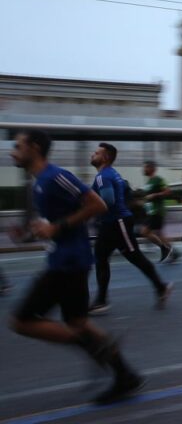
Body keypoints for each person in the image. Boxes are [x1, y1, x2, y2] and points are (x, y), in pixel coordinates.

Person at [9, 130, 144, 404]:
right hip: (65, 259)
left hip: (69, 262)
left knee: (22, 321)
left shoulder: (56, 176)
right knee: (78, 322)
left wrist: (56, 227)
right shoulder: (39, 182)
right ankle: (125, 375)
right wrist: (30, 233)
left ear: (34, 148)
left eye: (18, 146)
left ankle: (94, 347)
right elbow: (54, 224)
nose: (13, 152)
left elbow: (98, 204)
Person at [89, 143, 172, 315]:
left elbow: (108, 201)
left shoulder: (103, 176)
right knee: (101, 257)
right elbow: (125, 192)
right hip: (111, 223)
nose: (92, 154)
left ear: (105, 157)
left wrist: (88, 210)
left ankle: (161, 287)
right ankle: (101, 300)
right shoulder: (112, 173)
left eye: (96, 153)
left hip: (117, 222)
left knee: (134, 257)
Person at [141, 161, 178, 263]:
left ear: (152, 168)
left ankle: (164, 248)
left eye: (146, 167)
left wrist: (155, 195)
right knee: (159, 234)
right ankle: (174, 252)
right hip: (151, 211)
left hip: (157, 211)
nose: (144, 169)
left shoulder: (158, 179)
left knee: (145, 232)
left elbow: (168, 191)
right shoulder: (149, 181)